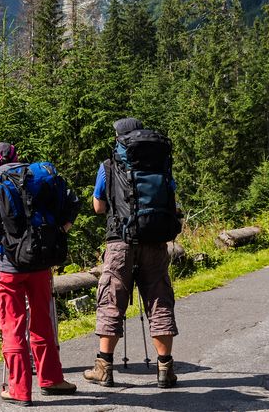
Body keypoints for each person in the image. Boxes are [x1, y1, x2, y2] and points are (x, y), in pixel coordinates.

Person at [0, 142, 80, 405]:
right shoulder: (37, 177)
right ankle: (52, 380)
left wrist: (4, 248)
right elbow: (71, 201)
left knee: (13, 325)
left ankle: (19, 390)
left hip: (9, 268)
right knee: (42, 322)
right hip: (40, 263)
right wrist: (60, 231)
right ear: (17, 157)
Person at [84, 117, 181, 389]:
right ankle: (165, 369)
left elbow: (98, 207)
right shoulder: (161, 164)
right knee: (159, 298)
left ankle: (104, 367)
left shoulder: (109, 166)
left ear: (120, 138)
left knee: (111, 299)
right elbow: (171, 199)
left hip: (120, 241)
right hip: (155, 241)